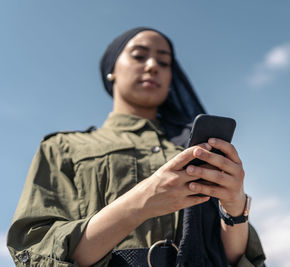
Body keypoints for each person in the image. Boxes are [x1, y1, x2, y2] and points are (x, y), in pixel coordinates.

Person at [7, 27, 266, 267]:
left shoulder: (195, 147)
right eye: (139, 56)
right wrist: (141, 201)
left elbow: (232, 258)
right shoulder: (63, 147)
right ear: (112, 70)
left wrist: (235, 208)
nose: (153, 66)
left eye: (164, 62)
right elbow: (36, 250)